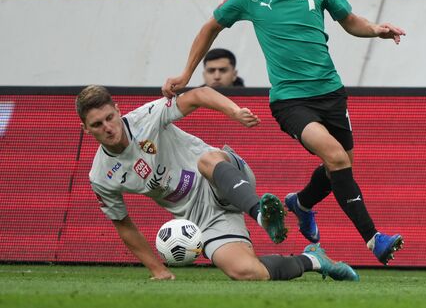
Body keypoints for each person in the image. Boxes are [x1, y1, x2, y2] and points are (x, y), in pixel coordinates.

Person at [163, 0, 406, 265]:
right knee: (337, 157)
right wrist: (186, 74)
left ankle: (301, 204)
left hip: (331, 92)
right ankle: (374, 239)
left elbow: (349, 21)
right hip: (290, 100)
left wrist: (376, 29)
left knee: (339, 164)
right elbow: (210, 28)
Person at [77, 84, 359, 281]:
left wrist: (234, 111)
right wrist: (157, 269)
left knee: (206, 160)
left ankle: (261, 213)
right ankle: (314, 260)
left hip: (223, 175)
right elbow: (122, 223)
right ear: (85, 128)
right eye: (97, 124)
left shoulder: (146, 118)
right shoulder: (101, 176)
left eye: (109, 118)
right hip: (200, 217)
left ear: (118, 109)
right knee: (245, 272)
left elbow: (199, 94)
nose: (108, 127)